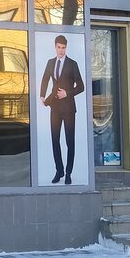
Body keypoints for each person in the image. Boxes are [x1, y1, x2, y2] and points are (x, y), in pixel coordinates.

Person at [40, 35, 85, 184]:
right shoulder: (50, 62)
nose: (61, 50)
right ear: (55, 47)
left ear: (66, 48)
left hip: (69, 108)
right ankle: (59, 170)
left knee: (69, 141)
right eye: (59, 47)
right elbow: (45, 78)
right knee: (55, 139)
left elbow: (81, 86)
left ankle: (68, 173)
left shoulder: (72, 64)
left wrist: (67, 93)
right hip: (55, 107)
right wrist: (42, 95)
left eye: (63, 48)